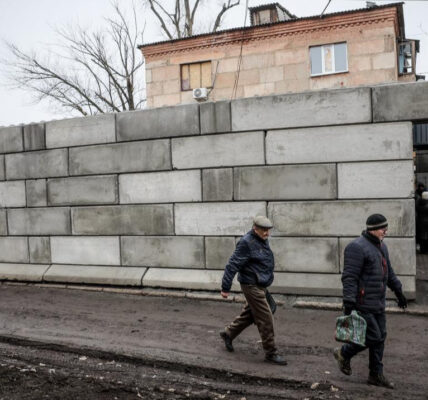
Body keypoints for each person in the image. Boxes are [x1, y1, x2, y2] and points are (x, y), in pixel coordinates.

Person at [334, 214, 408, 389]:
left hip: (378, 302)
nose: (386, 231)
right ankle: (344, 353)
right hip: (362, 302)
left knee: (380, 337)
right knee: (374, 336)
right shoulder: (356, 247)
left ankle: (375, 375)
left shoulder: (382, 247)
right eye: (383, 228)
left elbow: (389, 273)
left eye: (386, 228)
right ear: (372, 229)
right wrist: (349, 301)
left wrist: (399, 292)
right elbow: (349, 277)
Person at [219, 215, 287, 365]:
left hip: (260, 283)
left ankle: (228, 334)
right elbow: (232, 265)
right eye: (264, 230)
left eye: (268, 230)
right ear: (255, 228)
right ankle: (271, 352)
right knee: (265, 318)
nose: (267, 233)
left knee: (251, 313)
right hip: (251, 284)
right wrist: (225, 287)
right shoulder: (246, 243)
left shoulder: (261, 239)